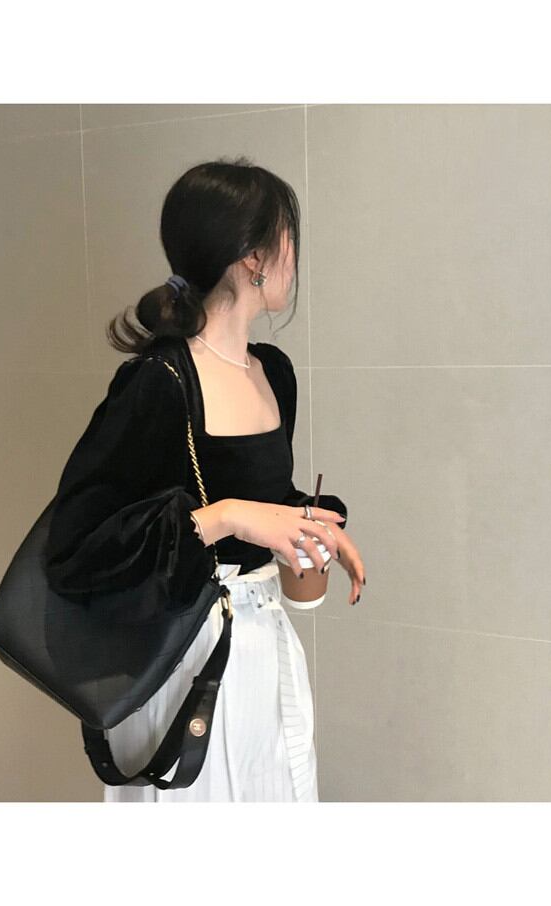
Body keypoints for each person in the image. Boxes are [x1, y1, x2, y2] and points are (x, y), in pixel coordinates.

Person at [43, 155, 366, 802]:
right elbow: (77, 549)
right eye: (288, 238)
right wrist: (230, 516)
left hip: (265, 649)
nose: (295, 257)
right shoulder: (158, 382)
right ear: (253, 258)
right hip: (182, 661)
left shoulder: (273, 372)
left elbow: (259, 496)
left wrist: (307, 523)